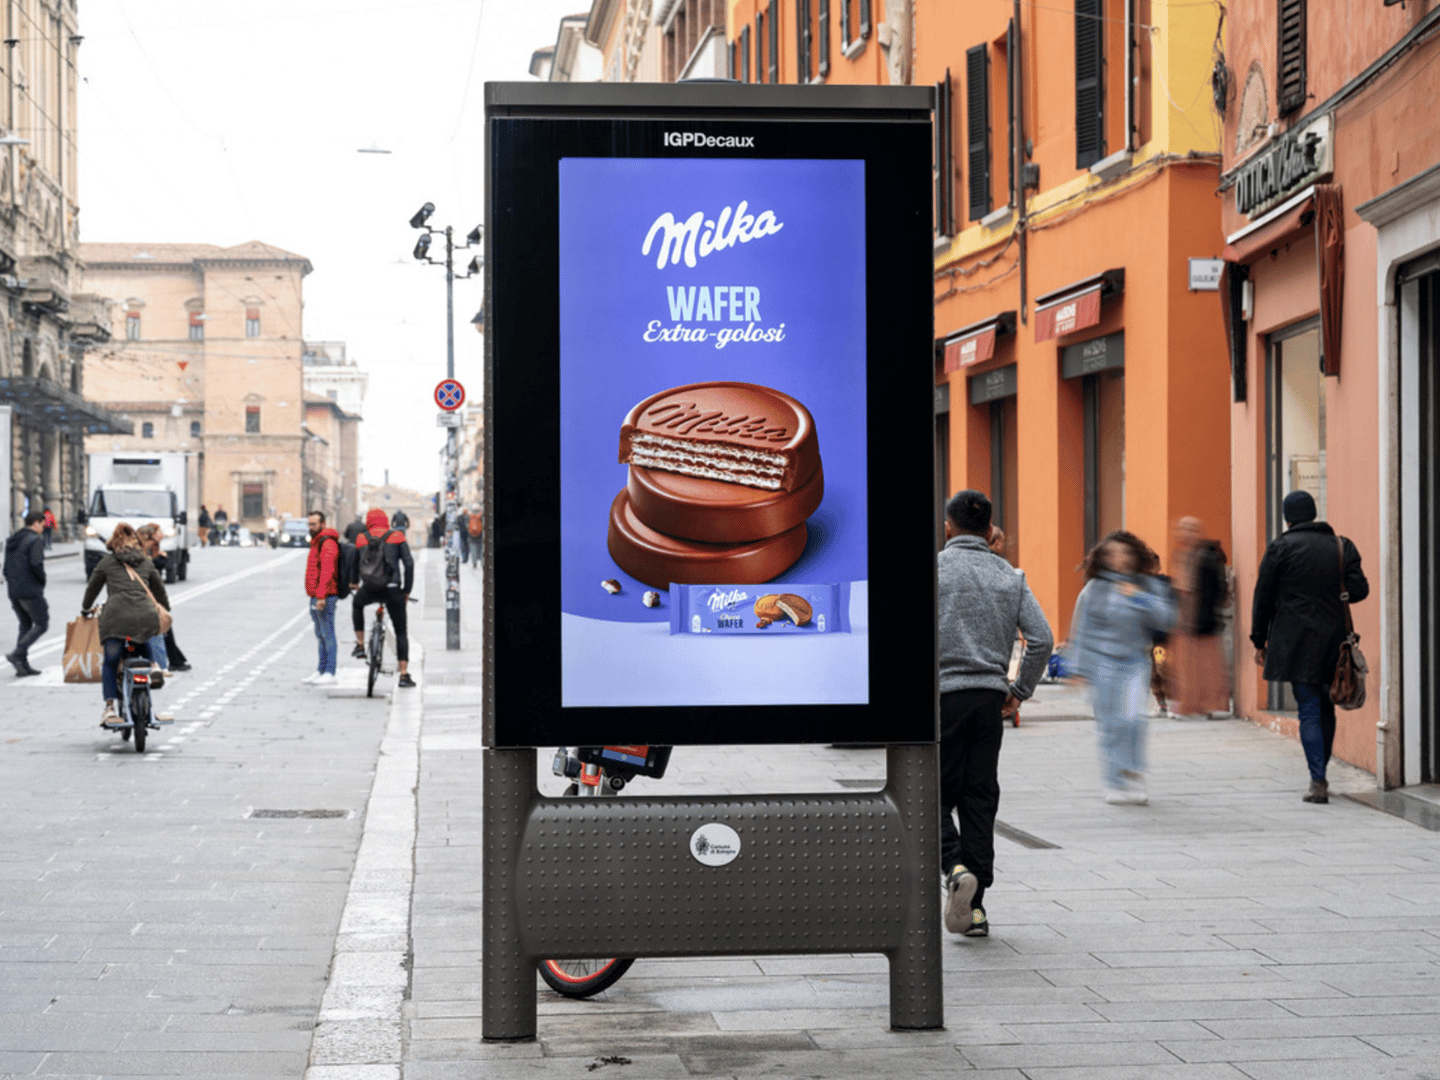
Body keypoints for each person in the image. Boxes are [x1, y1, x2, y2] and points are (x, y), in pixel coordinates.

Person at [938, 491, 1053, 939]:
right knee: (980, 799)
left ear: (948, 528)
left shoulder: (934, 570)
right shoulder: (1010, 576)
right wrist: (1019, 691)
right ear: (989, 531)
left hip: (941, 701)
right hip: (989, 700)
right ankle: (976, 911)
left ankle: (954, 867)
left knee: (932, 796)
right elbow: (1041, 639)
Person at [1251, 490, 1369, 804]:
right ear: (1314, 513)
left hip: (1294, 642)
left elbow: (1263, 597)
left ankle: (1318, 779)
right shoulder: (1342, 546)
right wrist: (1334, 591)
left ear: (1287, 518)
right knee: (1327, 705)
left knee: (1308, 709)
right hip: (1335, 641)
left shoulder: (1279, 548)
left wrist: (1259, 640)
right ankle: (1320, 772)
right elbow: (1360, 590)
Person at [1067, 530, 1176, 805]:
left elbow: (1167, 619)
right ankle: (1114, 781)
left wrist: (1139, 597)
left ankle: (1133, 773)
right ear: (1104, 558)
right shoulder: (1094, 589)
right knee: (1111, 723)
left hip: (1135, 662)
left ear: (1134, 555)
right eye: (1113, 554)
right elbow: (1082, 629)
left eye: (1124, 553)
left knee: (1134, 718)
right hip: (1102, 663)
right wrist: (1077, 668)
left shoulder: (1148, 585)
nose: (1119, 559)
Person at [80, 523, 170, 726]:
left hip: (116, 619)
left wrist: (85, 609)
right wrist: (165, 607)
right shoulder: (146, 562)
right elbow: (160, 590)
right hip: (145, 616)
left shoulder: (106, 562)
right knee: (140, 640)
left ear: (114, 543)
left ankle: (110, 708)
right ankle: (152, 666)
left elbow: (92, 589)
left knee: (111, 662)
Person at [1168, 517, 1231, 717]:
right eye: (1182, 528)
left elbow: (1218, 590)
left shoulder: (1207, 556)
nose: (1184, 533)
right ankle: (1189, 706)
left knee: (1207, 668)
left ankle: (1213, 705)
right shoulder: (1181, 555)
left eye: (1190, 529)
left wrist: (1205, 615)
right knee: (1186, 667)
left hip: (1202, 621)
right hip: (1185, 620)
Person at [351, 508, 416, 689]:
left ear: (369, 522)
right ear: (387, 521)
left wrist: (354, 582)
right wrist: (406, 591)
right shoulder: (397, 536)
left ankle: (360, 645)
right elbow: (409, 564)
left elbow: (355, 563)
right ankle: (403, 675)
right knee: (401, 631)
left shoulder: (362, 538)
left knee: (357, 605)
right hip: (393, 589)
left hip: (369, 588)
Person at [4, 510, 47, 677]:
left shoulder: (14, 539)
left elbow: (5, 569)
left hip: (13, 590)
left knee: (25, 625)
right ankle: (17, 654)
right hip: (30, 590)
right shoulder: (35, 540)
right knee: (42, 624)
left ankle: (22, 666)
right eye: (43, 524)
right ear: (35, 523)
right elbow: (36, 564)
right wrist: (42, 580)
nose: (44, 528)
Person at [304, 510, 342, 687]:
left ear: (323, 524)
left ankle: (330, 672)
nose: (311, 527)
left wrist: (321, 596)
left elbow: (327, 571)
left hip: (325, 596)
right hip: (316, 595)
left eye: (314, 524)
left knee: (327, 634)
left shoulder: (327, 542)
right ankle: (321, 670)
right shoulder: (317, 541)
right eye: (309, 524)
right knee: (320, 635)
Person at [134, 525, 171, 674]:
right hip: (145, 599)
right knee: (155, 632)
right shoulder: (144, 559)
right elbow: (158, 586)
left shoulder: (124, 556)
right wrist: (164, 606)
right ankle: (159, 666)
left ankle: (158, 665)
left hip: (133, 600)